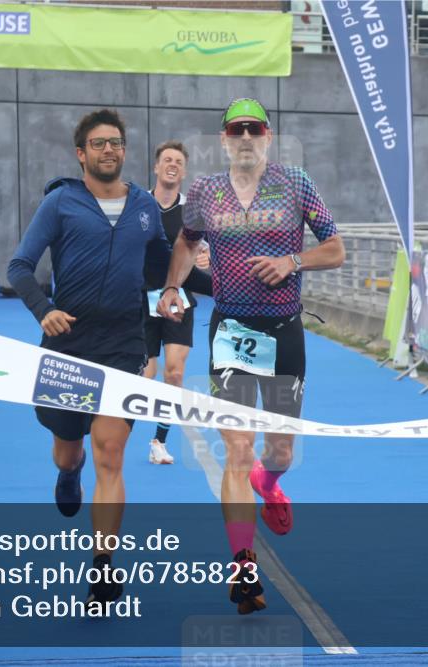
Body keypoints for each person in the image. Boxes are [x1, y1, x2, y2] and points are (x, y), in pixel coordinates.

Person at [157, 98, 345, 614]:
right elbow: (184, 240)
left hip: (285, 332)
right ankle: (243, 567)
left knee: (278, 452)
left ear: (267, 136)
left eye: (253, 129)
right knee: (237, 449)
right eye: (235, 129)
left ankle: (271, 481)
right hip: (231, 333)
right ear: (223, 139)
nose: (244, 137)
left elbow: (336, 248)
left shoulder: (296, 183)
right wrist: (172, 288)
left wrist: (292, 260)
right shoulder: (205, 192)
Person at [7, 108, 171, 606]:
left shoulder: (145, 206)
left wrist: (185, 271)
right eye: (98, 143)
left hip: (123, 344)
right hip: (67, 342)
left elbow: (161, 264)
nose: (109, 150)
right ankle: (67, 470)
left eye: (116, 142)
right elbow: (18, 267)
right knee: (71, 448)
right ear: (81, 153)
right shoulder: (61, 203)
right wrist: (44, 311)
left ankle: (103, 566)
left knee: (110, 451)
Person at [141, 140, 212, 464]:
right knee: (145, 375)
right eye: (166, 159)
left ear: (183, 171)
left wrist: (209, 259)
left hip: (179, 303)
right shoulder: (138, 205)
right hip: (141, 301)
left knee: (173, 372)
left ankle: (159, 441)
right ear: (156, 167)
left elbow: (208, 253)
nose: (172, 164)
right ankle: (116, 434)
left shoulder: (193, 213)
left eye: (178, 161)